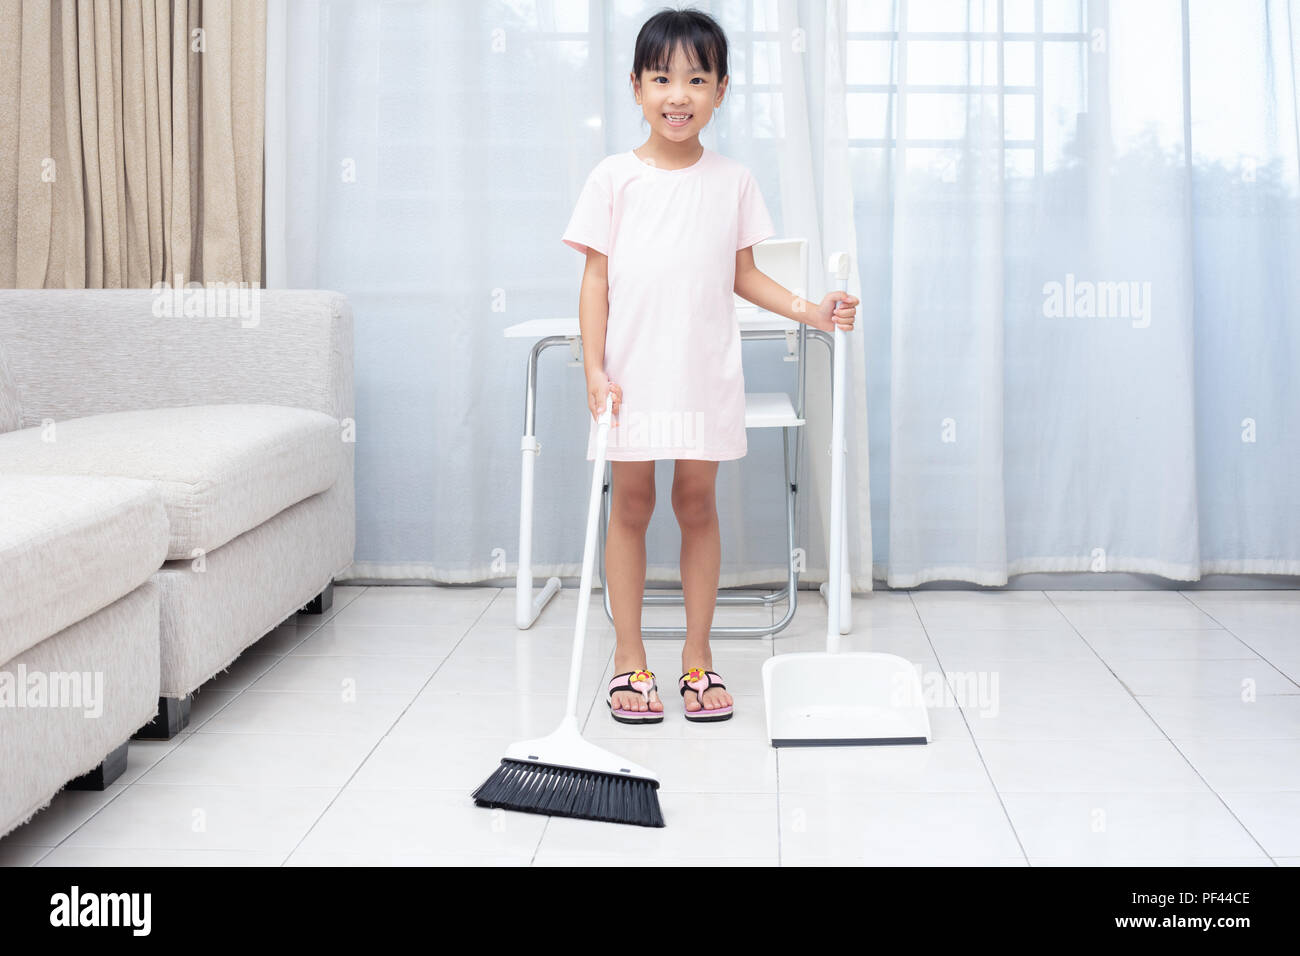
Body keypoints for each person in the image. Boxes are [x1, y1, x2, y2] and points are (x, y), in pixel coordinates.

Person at [561, 7, 857, 724]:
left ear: (721, 90)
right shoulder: (613, 179)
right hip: (631, 378)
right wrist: (594, 372)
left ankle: (698, 657)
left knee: (696, 506)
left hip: (702, 374)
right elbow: (595, 281)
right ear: (635, 87)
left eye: (697, 78)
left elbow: (742, 275)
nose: (678, 94)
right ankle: (629, 659)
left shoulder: (733, 181)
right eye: (662, 78)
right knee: (630, 507)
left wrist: (809, 309)